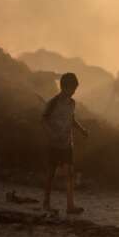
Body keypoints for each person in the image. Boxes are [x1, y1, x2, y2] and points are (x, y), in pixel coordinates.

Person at [42, 72, 88, 215]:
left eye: (75, 88)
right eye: (72, 88)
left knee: (69, 174)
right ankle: (46, 202)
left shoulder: (72, 103)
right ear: (64, 87)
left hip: (68, 143)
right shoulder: (53, 102)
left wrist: (81, 130)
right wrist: (51, 134)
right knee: (51, 173)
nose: (74, 91)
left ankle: (70, 205)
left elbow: (72, 119)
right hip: (54, 144)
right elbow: (43, 119)